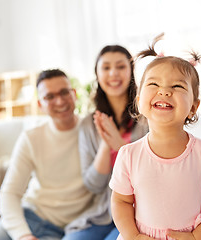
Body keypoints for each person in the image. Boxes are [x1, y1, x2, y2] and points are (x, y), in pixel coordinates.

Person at [109, 34, 201, 240]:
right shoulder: (129, 155)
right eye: (154, 84)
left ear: (193, 107)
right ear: (139, 100)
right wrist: (132, 235)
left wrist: (199, 236)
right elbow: (121, 202)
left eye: (177, 86)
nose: (164, 92)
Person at [0, 69, 93, 240]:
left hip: (65, 230)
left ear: (74, 94)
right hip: (28, 217)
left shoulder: (93, 133)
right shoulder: (32, 138)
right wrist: (23, 235)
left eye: (64, 92)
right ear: (40, 104)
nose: (59, 101)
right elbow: (9, 193)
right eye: (49, 97)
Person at [63, 45, 149, 240]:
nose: (113, 74)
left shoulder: (147, 118)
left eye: (120, 66)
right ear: (97, 74)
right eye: (106, 68)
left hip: (141, 214)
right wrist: (105, 143)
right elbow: (93, 185)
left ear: (131, 71)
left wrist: (120, 145)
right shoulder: (88, 125)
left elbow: (151, 175)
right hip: (103, 214)